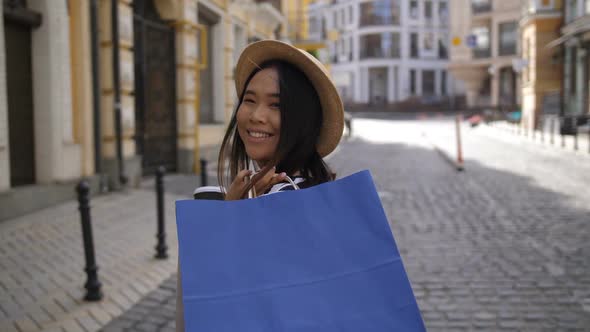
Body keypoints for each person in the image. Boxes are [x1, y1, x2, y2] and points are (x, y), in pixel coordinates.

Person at [176, 39, 344, 331]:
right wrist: (233, 217)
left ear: (303, 120)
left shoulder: (310, 205)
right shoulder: (246, 199)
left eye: (276, 105)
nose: (256, 115)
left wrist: (231, 224)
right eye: (249, 100)